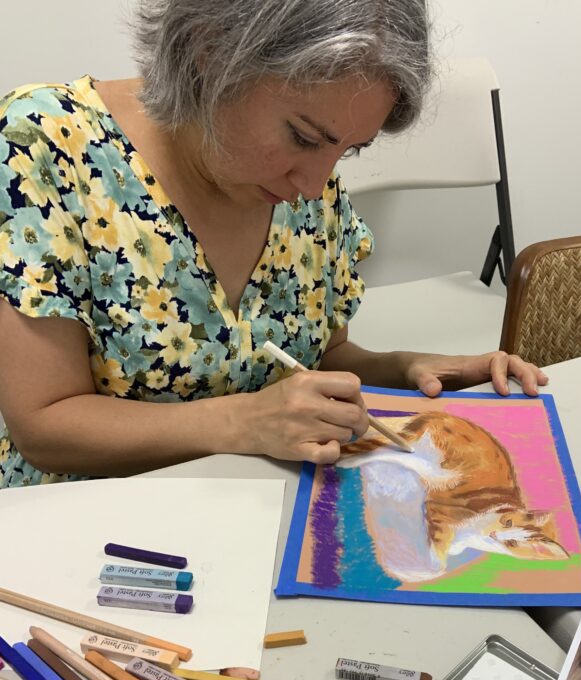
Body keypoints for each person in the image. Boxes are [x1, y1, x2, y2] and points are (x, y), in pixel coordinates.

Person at [0, 0, 547, 488]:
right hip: (87, 524)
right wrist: (244, 422)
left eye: (348, 151)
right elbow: (44, 426)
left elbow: (318, 357)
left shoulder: (305, 185)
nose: (314, 184)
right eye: (302, 138)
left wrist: (405, 370)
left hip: (259, 506)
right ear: (210, 53)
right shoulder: (44, 145)